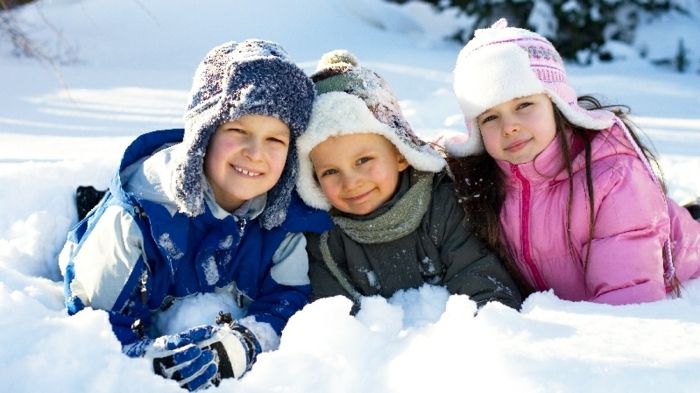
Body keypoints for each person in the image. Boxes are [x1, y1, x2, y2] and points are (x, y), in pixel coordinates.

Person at [58, 39, 331, 391]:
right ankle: (93, 205)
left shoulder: (281, 219)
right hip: (127, 243)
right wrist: (142, 359)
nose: (255, 153)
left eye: (275, 140)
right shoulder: (140, 219)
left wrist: (248, 339)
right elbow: (93, 320)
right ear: (204, 134)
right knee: (96, 237)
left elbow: (288, 299)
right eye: (238, 131)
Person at [444, 19, 700, 304]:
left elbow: (630, 300)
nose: (509, 127)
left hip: (683, 247)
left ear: (558, 106)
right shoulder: (486, 184)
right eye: (490, 117)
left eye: (524, 105)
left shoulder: (613, 179)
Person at [295, 50, 523, 311]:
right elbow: (332, 319)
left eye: (364, 160)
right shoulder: (325, 238)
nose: (351, 182)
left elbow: (478, 275)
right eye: (330, 172)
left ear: (401, 155)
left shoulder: (440, 203)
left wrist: (485, 324)